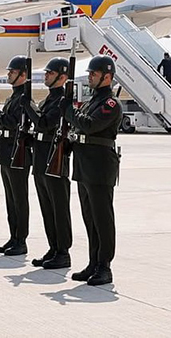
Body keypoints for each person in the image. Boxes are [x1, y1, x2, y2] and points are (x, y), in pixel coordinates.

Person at [60, 55, 121, 286]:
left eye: (94, 74)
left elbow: (89, 125)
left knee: (102, 219)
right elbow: (80, 128)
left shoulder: (110, 104)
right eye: (90, 73)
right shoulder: (91, 101)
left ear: (107, 77)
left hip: (100, 167)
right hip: (85, 165)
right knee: (90, 218)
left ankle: (105, 266)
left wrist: (68, 111)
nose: (90, 77)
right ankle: (93, 262)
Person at [21, 57, 72, 268]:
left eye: (50, 73)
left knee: (59, 208)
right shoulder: (48, 100)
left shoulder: (62, 102)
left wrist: (28, 106)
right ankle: (53, 247)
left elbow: (44, 123)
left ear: (62, 77)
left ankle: (63, 252)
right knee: (47, 207)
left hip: (54, 160)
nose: (46, 76)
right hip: (42, 158)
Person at [0, 55, 31, 256]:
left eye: (12, 72)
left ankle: (21, 240)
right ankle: (13, 236)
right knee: (10, 199)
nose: (8, 75)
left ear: (23, 75)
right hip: (7, 151)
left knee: (19, 199)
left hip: (18, 152)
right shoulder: (13, 97)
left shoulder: (24, 98)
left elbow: (12, 123)